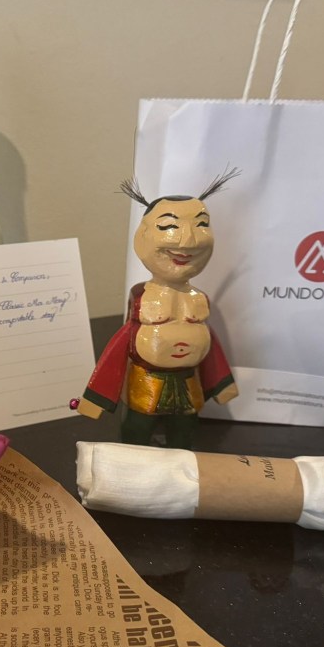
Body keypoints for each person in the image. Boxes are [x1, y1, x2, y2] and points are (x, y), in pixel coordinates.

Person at [75, 170, 239, 448]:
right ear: (142, 237)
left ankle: (180, 459)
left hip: (188, 385)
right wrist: (97, 397)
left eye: (201, 224)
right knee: (136, 431)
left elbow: (212, 348)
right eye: (168, 226)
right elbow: (118, 348)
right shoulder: (142, 298)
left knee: (184, 433)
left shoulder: (198, 299)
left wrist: (222, 384)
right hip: (145, 385)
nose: (188, 241)